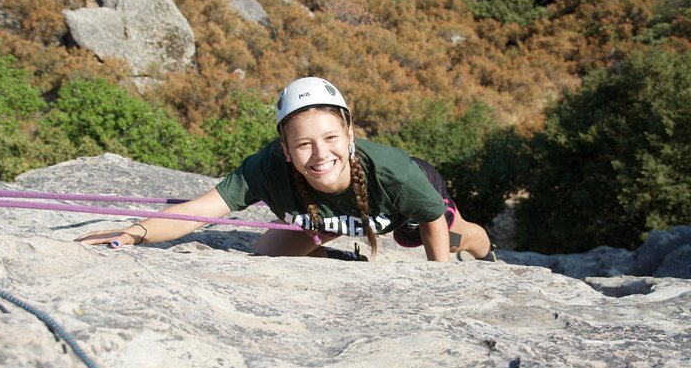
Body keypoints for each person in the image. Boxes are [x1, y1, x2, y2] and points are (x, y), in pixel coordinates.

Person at [77, 77, 496, 262]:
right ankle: (342, 253)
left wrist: (440, 282)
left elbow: (431, 220)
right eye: (303, 144)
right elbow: (198, 211)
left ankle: (486, 247)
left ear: (350, 134)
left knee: (431, 236)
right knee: (268, 254)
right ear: (285, 148)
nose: (319, 154)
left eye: (331, 138)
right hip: (337, 213)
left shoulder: (394, 171)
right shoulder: (266, 168)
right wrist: (133, 233)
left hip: (406, 207)